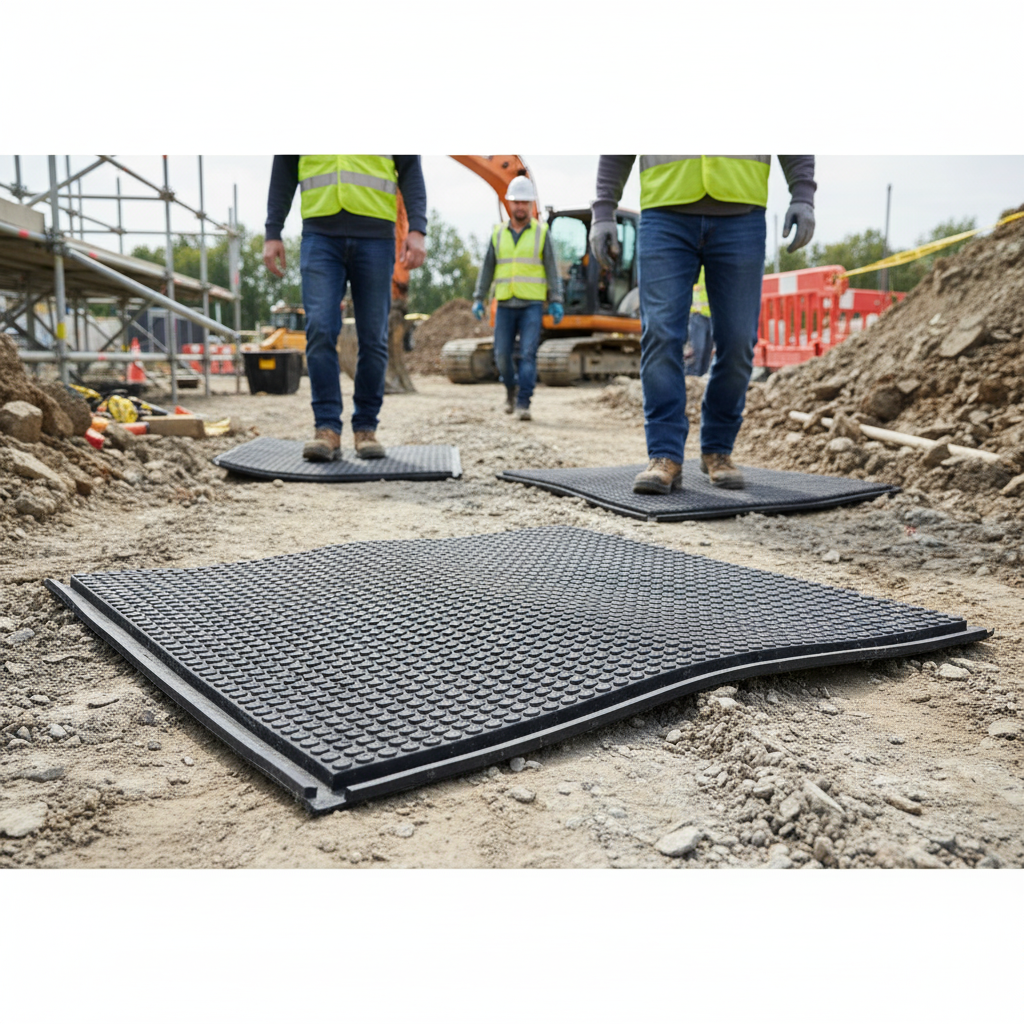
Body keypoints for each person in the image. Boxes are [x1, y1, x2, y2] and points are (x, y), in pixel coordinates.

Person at [589, 155, 816, 493]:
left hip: (741, 214)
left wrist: (803, 195)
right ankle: (664, 453)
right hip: (665, 212)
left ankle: (717, 449)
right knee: (661, 336)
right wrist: (603, 209)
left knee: (738, 342)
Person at [263, 155, 427, 461]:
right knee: (320, 329)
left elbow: (411, 170)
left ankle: (366, 427)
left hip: (376, 235)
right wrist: (273, 230)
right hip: (320, 235)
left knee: (374, 337)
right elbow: (283, 168)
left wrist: (417, 228)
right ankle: (326, 427)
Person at [471, 174, 564, 421]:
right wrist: (479, 297)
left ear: (531, 204)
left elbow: (552, 269)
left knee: (527, 354)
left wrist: (556, 299)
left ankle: (524, 403)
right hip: (504, 302)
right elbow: (487, 267)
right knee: (501, 355)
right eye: (516, 202)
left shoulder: (541, 233)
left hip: (531, 304)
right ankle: (510, 391)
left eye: (525, 202)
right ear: (509, 204)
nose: (520, 206)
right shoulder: (498, 233)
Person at [684, 267, 713, 377]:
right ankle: (690, 379)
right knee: (697, 351)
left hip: (711, 315)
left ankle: (700, 379)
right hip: (697, 314)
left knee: (707, 353)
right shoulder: (696, 266)